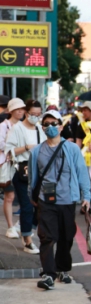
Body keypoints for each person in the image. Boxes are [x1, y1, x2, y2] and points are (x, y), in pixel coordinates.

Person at [28, 110, 91, 290]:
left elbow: (82, 173)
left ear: (61, 126)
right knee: (47, 237)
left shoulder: (72, 149)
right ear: (42, 127)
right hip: (45, 200)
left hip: (67, 200)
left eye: (53, 123)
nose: (50, 127)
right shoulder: (36, 151)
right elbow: (33, 177)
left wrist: (86, 196)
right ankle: (48, 274)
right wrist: (32, 197)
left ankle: (62, 269)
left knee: (66, 237)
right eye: (46, 124)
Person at [5, 99, 46, 254]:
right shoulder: (17, 129)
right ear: (26, 113)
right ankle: (28, 240)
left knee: (40, 205)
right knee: (27, 205)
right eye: (32, 114)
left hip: (38, 171)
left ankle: (26, 228)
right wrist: (28, 147)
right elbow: (10, 151)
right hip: (22, 171)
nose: (35, 117)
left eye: (38, 114)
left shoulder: (39, 129)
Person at [0, 97, 22, 238]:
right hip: (6, 164)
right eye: (18, 109)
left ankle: (20, 225)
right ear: (11, 110)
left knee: (25, 195)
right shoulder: (3, 125)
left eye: (23, 109)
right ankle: (10, 227)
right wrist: (15, 147)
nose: (21, 111)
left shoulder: (23, 126)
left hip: (21, 164)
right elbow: (1, 144)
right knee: (10, 196)